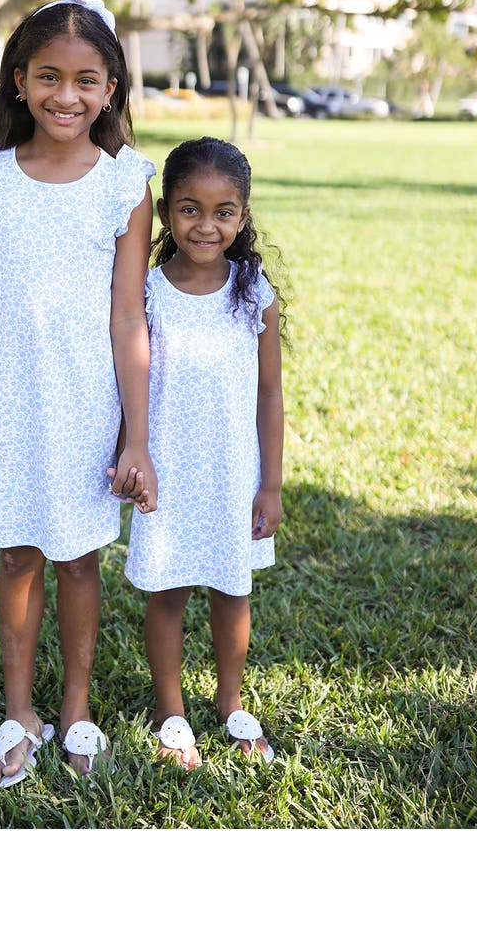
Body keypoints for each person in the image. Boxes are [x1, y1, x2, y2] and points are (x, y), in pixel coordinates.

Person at [0, 0, 157, 786]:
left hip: (87, 400)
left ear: (111, 89)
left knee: (77, 561)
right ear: (20, 81)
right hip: (4, 396)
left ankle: (75, 707)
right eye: (50, 77)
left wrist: (136, 434)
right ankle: (18, 708)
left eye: (86, 80)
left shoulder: (124, 182)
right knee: (17, 557)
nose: (67, 96)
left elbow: (129, 315)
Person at [122, 136, 284, 769]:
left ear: (243, 216)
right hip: (167, 470)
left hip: (231, 472)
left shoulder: (252, 293)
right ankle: (171, 712)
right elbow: (127, 387)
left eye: (224, 211)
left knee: (231, 591)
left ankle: (230, 702)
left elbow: (270, 394)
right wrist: (129, 456)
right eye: (190, 208)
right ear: (166, 213)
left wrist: (270, 484)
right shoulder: (147, 292)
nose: (206, 225)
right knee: (167, 594)